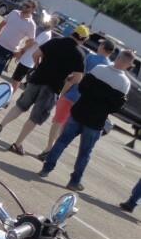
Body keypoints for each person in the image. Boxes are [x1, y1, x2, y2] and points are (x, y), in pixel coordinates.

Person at [40, 49, 135, 191]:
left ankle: (46, 168)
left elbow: (82, 88)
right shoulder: (124, 83)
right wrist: (104, 102)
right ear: (129, 65)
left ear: (118, 58)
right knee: (84, 153)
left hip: (79, 112)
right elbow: (115, 107)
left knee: (62, 141)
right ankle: (74, 181)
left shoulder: (99, 69)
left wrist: (93, 95)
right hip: (96, 121)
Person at [0, 25, 88, 155]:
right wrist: (67, 79)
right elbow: (78, 78)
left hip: (37, 78)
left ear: (73, 33)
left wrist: (37, 66)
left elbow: (36, 54)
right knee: (35, 117)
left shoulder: (55, 41)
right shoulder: (79, 54)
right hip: (53, 87)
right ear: (83, 39)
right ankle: (17, 143)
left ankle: (1, 125)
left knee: (20, 106)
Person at [38, 39, 115, 160]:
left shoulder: (90, 58)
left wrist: (63, 92)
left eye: (100, 44)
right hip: (86, 102)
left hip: (73, 94)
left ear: (103, 47)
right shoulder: (110, 67)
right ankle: (54, 152)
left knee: (57, 122)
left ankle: (48, 148)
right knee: (67, 127)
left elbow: (75, 77)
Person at [10, 18, 54, 85]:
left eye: (49, 21)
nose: (46, 22)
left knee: (16, 80)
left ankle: (11, 93)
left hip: (27, 60)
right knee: (16, 79)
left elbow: (32, 43)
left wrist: (21, 51)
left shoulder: (45, 34)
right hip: (27, 59)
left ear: (52, 24)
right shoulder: (47, 33)